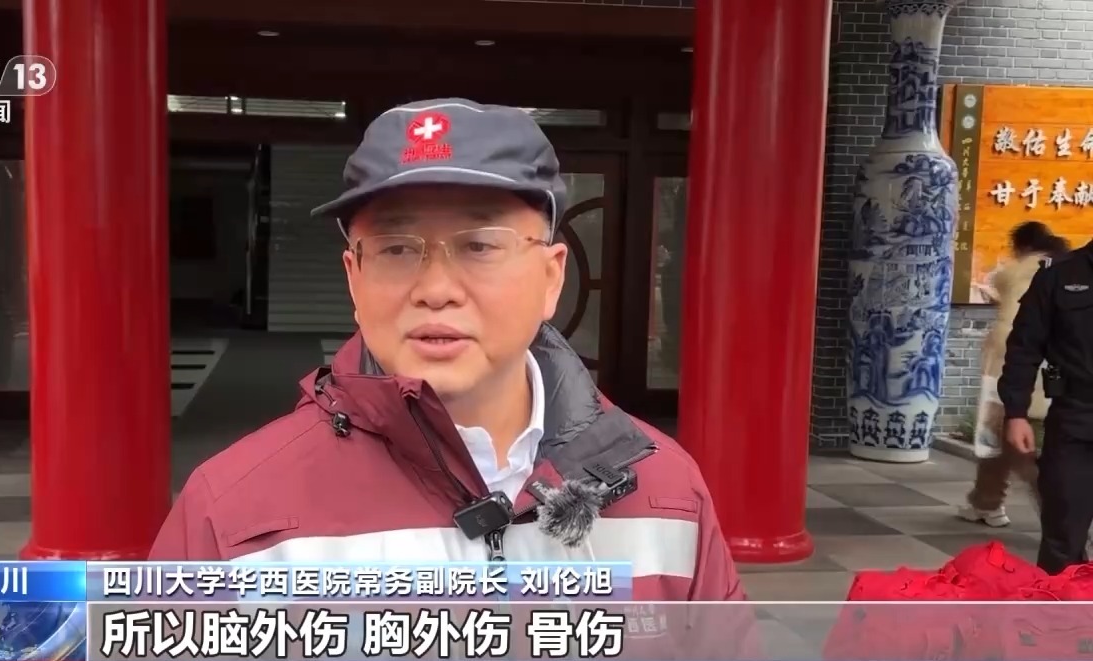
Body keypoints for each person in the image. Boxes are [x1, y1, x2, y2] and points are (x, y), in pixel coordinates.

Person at [150, 98, 747, 603]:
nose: (435, 289)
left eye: (480, 245)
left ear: (551, 277)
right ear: (354, 280)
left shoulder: (666, 494)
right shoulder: (232, 514)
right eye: (396, 249)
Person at [960, 222, 1069, 527]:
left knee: (1019, 451)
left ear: (1022, 246)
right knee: (999, 444)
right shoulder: (1066, 270)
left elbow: (1009, 323)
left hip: (1009, 373)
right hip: (1055, 375)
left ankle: (1062, 520)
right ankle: (986, 502)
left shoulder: (1017, 272)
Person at [999, 235, 1093, 574]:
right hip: (1076, 418)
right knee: (1063, 535)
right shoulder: (1060, 275)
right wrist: (1015, 412)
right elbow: (1024, 347)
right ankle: (1059, 607)